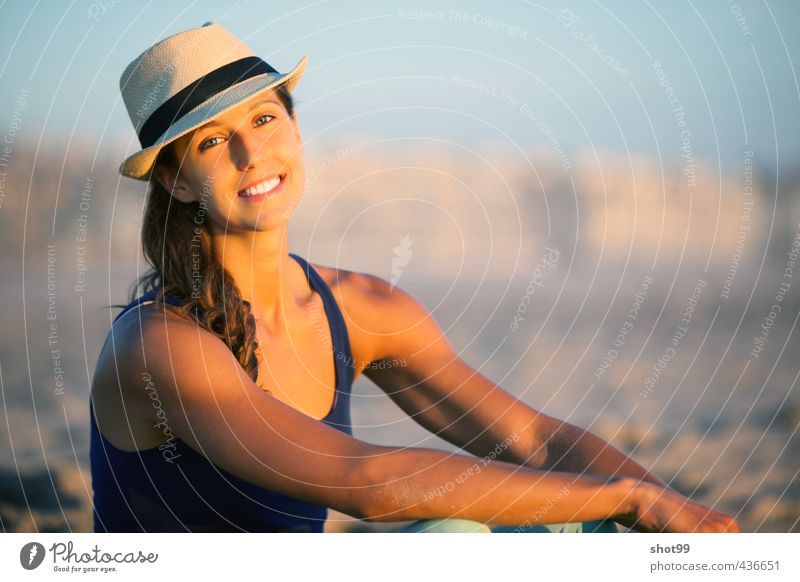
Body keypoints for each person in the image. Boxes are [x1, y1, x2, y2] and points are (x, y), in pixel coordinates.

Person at [89, 21, 740, 533]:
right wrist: (630, 499)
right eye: (210, 141)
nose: (251, 153)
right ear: (173, 180)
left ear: (294, 127)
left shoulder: (362, 308)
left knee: (564, 527)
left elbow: (535, 440)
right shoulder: (157, 348)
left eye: (264, 118)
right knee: (454, 539)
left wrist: (665, 509)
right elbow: (368, 483)